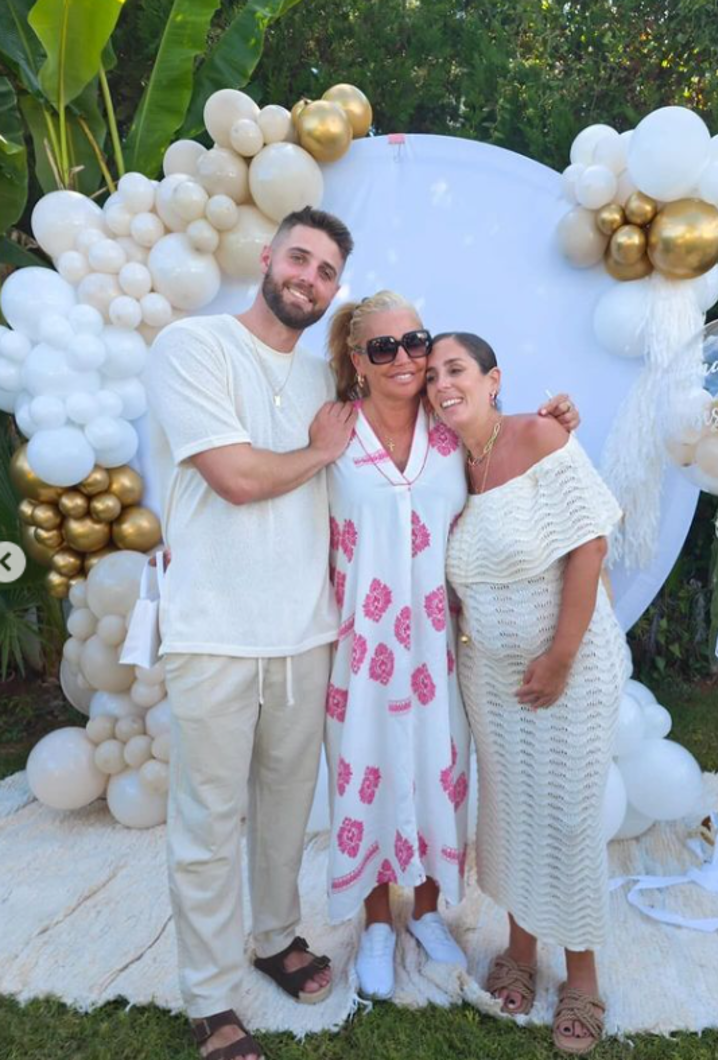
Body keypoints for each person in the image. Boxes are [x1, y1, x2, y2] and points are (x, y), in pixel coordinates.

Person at [323, 294, 580, 1000]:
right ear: (357, 363)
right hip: (361, 646)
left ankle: (431, 910)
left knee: (441, 774)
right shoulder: (331, 435)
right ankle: (378, 923)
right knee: (366, 771)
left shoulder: (451, 434)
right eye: (384, 348)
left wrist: (549, 423)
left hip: (440, 646)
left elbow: (505, 470)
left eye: (415, 342)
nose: (405, 358)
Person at [146, 206, 357, 1060]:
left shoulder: (323, 382)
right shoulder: (192, 347)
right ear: (267, 258)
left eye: (326, 272)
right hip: (214, 632)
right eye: (299, 259)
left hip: (305, 632)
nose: (308, 278)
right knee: (208, 820)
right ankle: (208, 998)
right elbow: (233, 478)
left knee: (286, 811)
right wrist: (316, 453)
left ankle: (274, 940)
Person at [425, 332, 630, 1055]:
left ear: (492, 379)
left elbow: (590, 545)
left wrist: (561, 656)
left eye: (456, 370)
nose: (442, 385)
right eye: (432, 377)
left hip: (567, 668)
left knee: (569, 818)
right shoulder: (445, 465)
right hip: (492, 678)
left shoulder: (541, 435)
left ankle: (583, 979)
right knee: (510, 813)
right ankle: (520, 952)